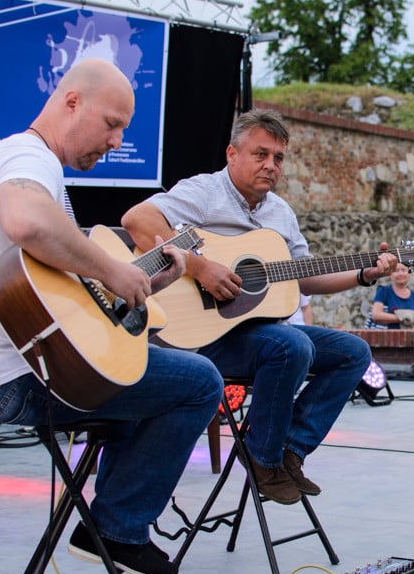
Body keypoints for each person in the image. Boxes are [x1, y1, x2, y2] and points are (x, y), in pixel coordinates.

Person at [0, 58, 223, 574]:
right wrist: (113, 271)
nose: (117, 141)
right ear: (72, 102)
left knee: (140, 361)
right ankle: (116, 529)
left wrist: (140, 281)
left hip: (26, 367)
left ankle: (113, 521)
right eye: (112, 123)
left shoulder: (35, 166)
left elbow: (71, 297)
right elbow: (25, 220)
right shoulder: (28, 157)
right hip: (23, 378)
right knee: (199, 382)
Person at [122, 109, 397, 505]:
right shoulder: (204, 192)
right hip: (203, 336)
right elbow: (137, 220)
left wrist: (364, 274)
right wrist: (201, 268)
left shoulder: (279, 213)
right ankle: (260, 457)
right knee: (291, 346)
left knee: (353, 352)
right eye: (260, 154)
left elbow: (305, 277)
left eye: (279, 158)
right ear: (233, 153)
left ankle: (290, 452)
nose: (271, 165)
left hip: (259, 334)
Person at [365, 262, 414, 330]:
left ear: (409, 273)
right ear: (390, 274)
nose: (400, 274)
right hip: (385, 338)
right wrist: (405, 319)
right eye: (396, 271)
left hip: (410, 338)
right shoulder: (384, 291)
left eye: (403, 270)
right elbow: (376, 315)